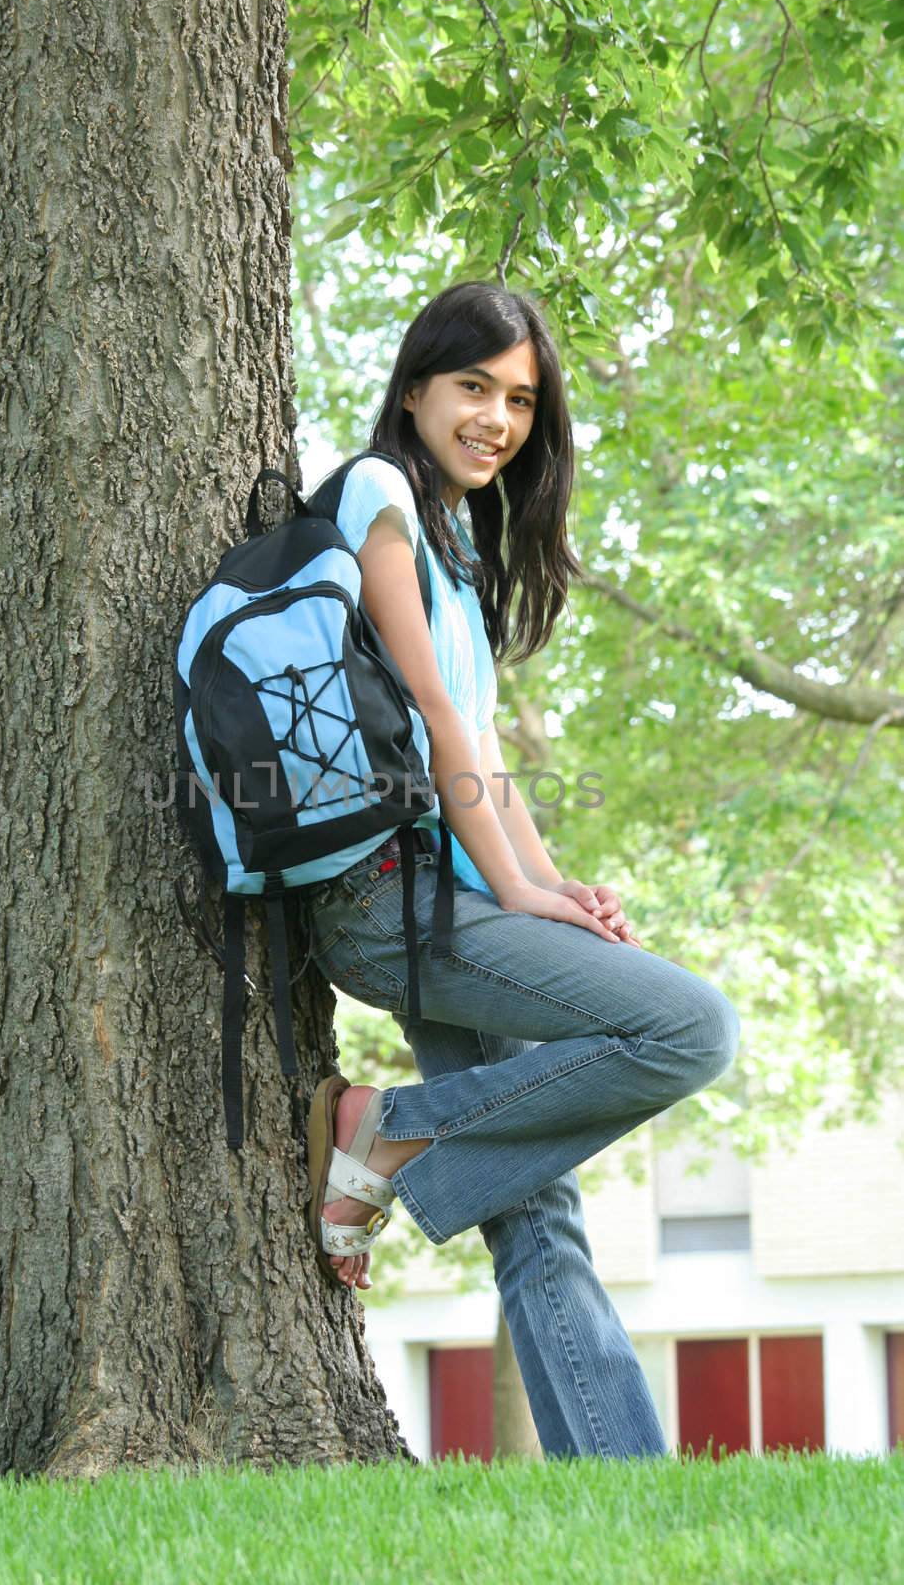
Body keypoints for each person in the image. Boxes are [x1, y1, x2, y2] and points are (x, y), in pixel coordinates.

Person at [303, 280, 740, 1459]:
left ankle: (623, 1477)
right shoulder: (379, 493)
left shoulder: (452, 545)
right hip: (386, 901)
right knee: (691, 1030)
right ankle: (388, 1128)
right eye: (472, 388)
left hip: (445, 899)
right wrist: (523, 894)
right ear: (412, 390)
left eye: (518, 400)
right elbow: (439, 720)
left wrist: (551, 883)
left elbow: (482, 752)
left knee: (532, 1197)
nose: (496, 418)